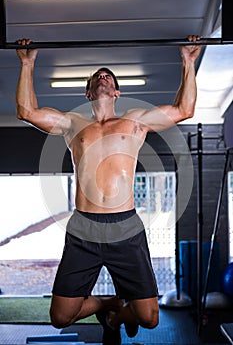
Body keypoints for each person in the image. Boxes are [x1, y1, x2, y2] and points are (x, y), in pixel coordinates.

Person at [16, 36, 202, 345]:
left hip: (124, 226)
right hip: (83, 227)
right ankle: (109, 303)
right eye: (97, 77)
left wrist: (188, 60)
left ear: (116, 91)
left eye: (109, 77)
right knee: (60, 317)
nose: (104, 77)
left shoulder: (135, 122)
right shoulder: (72, 123)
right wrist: (27, 63)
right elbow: (26, 111)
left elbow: (185, 109)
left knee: (149, 318)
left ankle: (118, 313)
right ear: (88, 92)